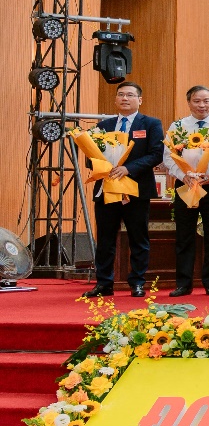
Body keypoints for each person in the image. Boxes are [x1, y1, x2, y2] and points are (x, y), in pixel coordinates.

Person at [84, 82, 165, 298]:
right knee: (105, 239)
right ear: (115, 99)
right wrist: (104, 167)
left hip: (136, 189)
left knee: (138, 238)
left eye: (130, 95)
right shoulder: (104, 126)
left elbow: (156, 154)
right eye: (121, 95)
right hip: (107, 188)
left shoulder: (151, 124)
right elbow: (90, 156)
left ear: (140, 100)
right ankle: (104, 283)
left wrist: (128, 169)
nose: (125, 98)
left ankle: (137, 282)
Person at [163, 85, 209, 297]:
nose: (202, 105)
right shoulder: (178, 126)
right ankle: (184, 283)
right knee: (184, 234)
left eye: (206, 101)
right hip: (185, 185)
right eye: (197, 101)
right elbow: (168, 157)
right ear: (189, 103)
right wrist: (183, 175)